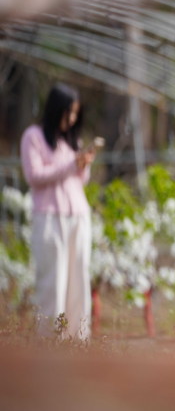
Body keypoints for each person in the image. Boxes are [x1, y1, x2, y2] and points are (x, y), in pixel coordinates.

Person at [21, 83, 95, 339]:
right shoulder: (33, 136)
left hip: (79, 216)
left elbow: (78, 182)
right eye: (68, 112)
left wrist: (82, 166)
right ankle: (50, 343)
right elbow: (35, 176)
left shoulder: (71, 141)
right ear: (55, 110)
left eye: (75, 113)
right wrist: (70, 165)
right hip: (50, 217)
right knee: (53, 281)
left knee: (79, 279)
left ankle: (79, 339)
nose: (72, 118)